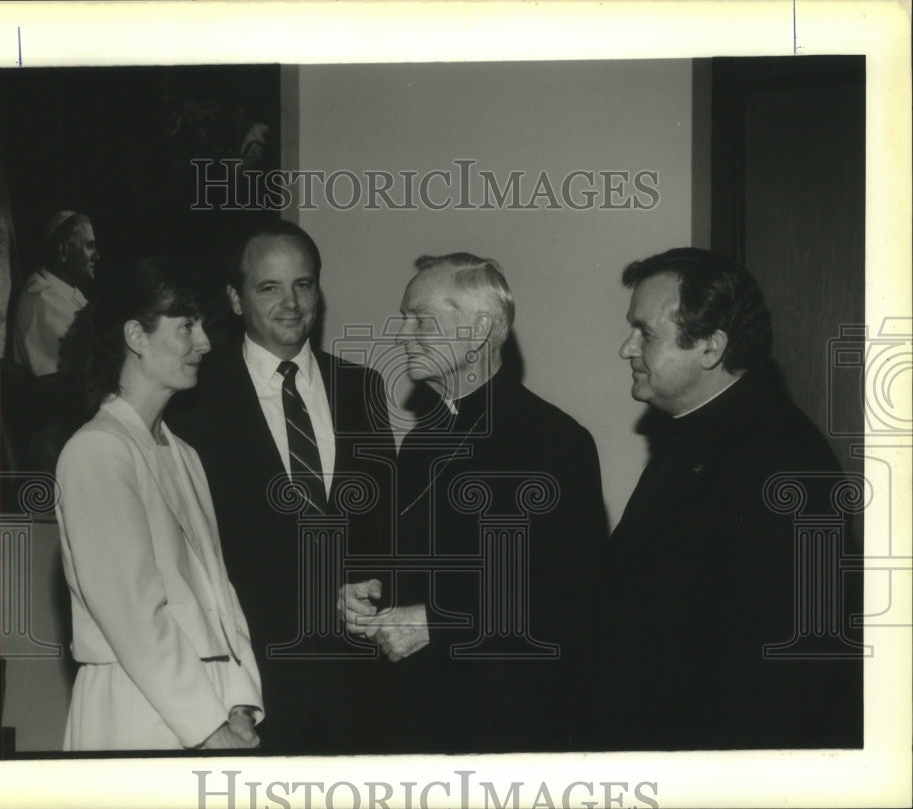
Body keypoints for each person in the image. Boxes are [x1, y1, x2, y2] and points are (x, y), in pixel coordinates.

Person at [589, 247, 863, 749]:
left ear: (710, 347)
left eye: (645, 333)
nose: (626, 349)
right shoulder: (696, 433)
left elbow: (788, 680)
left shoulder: (784, 462)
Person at [340, 252, 608, 753]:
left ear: (479, 329)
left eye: (420, 319)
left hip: (502, 730)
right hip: (410, 724)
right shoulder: (419, 440)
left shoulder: (556, 441)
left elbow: (569, 600)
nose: (402, 335)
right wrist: (363, 590)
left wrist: (434, 620)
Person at [166, 221, 393, 753]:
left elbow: (383, 529)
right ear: (235, 298)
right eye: (269, 287)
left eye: (304, 284)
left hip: (357, 688)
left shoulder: (362, 388)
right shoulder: (194, 398)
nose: (290, 303)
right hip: (247, 688)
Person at [55, 257, 263, 751]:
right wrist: (209, 728)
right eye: (186, 325)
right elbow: (133, 615)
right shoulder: (97, 451)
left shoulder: (183, 454)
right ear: (136, 336)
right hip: (137, 707)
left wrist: (238, 704)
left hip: (203, 705)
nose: (205, 342)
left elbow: (219, 593)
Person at [12, 210, 99, 376]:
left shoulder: (63, 288)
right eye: (89, 246)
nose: (97, 256)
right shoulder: (41, 299)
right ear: (64, 251)